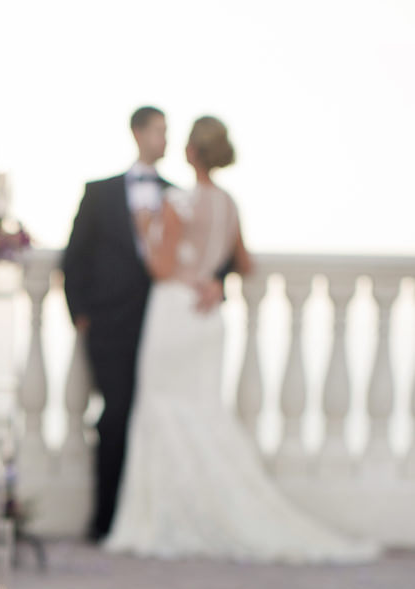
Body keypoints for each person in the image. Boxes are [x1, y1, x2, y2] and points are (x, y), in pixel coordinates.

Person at [103, 116, 376, 563]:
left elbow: (161, 267)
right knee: (203, 411)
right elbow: (243, 263)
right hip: (209, 316)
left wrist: (146, 226)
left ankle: (166, 517)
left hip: (176, 310)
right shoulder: (229, 203)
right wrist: (211, 279)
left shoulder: (176, 200)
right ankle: (217, 510)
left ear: (191, 152)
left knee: (165, 410)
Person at [63, 107, 219, 541]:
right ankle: (106, 520)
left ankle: (154, 517)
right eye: (158, 131)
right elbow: (74, 258)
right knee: (113, 417)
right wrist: (80, 314)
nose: (164, 139)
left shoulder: (179, 195)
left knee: (156, 418)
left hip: (162, 327)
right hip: (109, 325)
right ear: (137, 133)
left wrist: (216, 283)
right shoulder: (99, 193)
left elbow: (208, 252)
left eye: (168, 132)